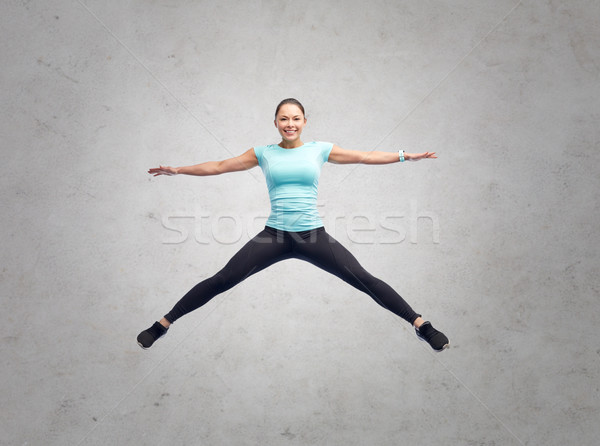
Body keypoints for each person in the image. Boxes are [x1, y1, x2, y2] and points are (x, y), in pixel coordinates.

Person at [137, 98, 449, 352]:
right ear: (275, 123)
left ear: (304, 122)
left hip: (312, 235)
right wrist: (179, 170)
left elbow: (363, 156)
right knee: (223, 279)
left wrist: (404, 156)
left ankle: (421, 325)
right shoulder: (263, 153)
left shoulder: (319, 149)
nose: (290, 124)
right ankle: (162, 324)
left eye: (296, 118)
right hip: (274, 236)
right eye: (284, 119)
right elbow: (219, 166)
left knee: (363, 279)